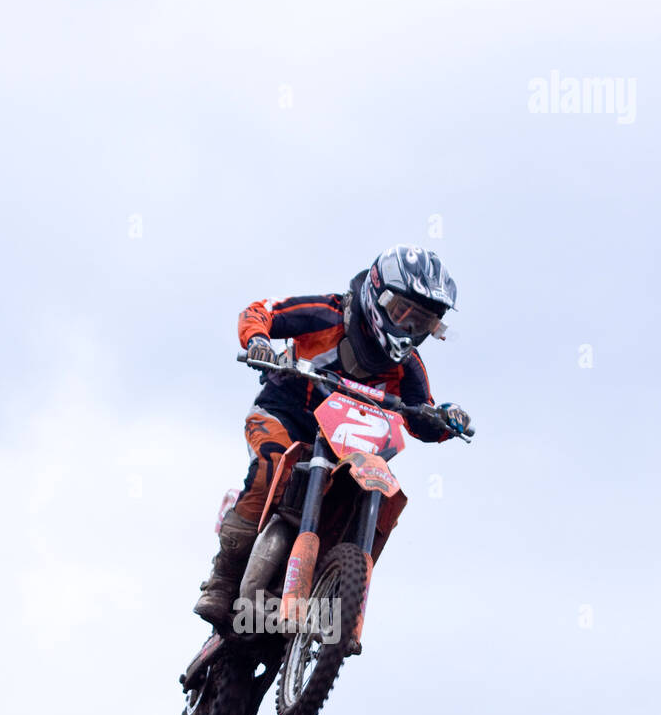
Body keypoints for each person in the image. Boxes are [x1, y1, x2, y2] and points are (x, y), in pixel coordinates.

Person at [195, 244, 473, 627]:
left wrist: (445, 419)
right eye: (401, 313)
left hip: (347, 444)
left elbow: (420, 413)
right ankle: (223, 580)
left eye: (421, 323)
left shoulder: (408, 367)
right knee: (270, 467)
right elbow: (263, 311)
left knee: (378, 489)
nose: (407, 328)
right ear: (378, 296)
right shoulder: (327, 314)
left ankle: (333, 584)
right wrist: (258, 340)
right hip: (284, 415)